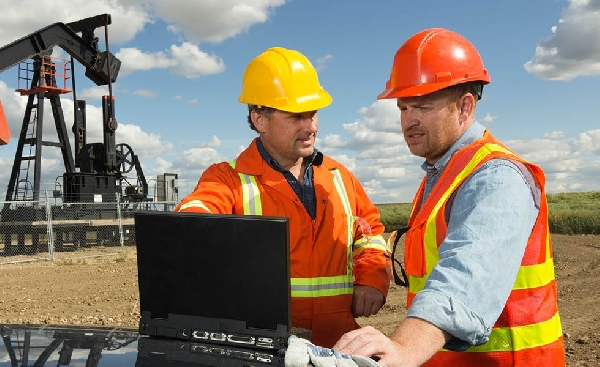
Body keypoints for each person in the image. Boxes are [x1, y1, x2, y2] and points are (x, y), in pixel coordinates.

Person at [333, 28, 566, 366]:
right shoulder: (440, 175)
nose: (408, 121)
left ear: (464, 106)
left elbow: (467, 275)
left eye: (422, 107)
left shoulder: (495, 176)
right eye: (403, 108)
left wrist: (405, 349)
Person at [174, 47, 392, 348]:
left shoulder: (340, 176)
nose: (311, 126)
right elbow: (196, 210)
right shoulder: (228, 178)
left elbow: (370, 234)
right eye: (296, 116)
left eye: (313, 114)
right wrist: (195, 226)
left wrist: (371, 279)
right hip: (265, 347)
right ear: (260, 119)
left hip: (339, 345)